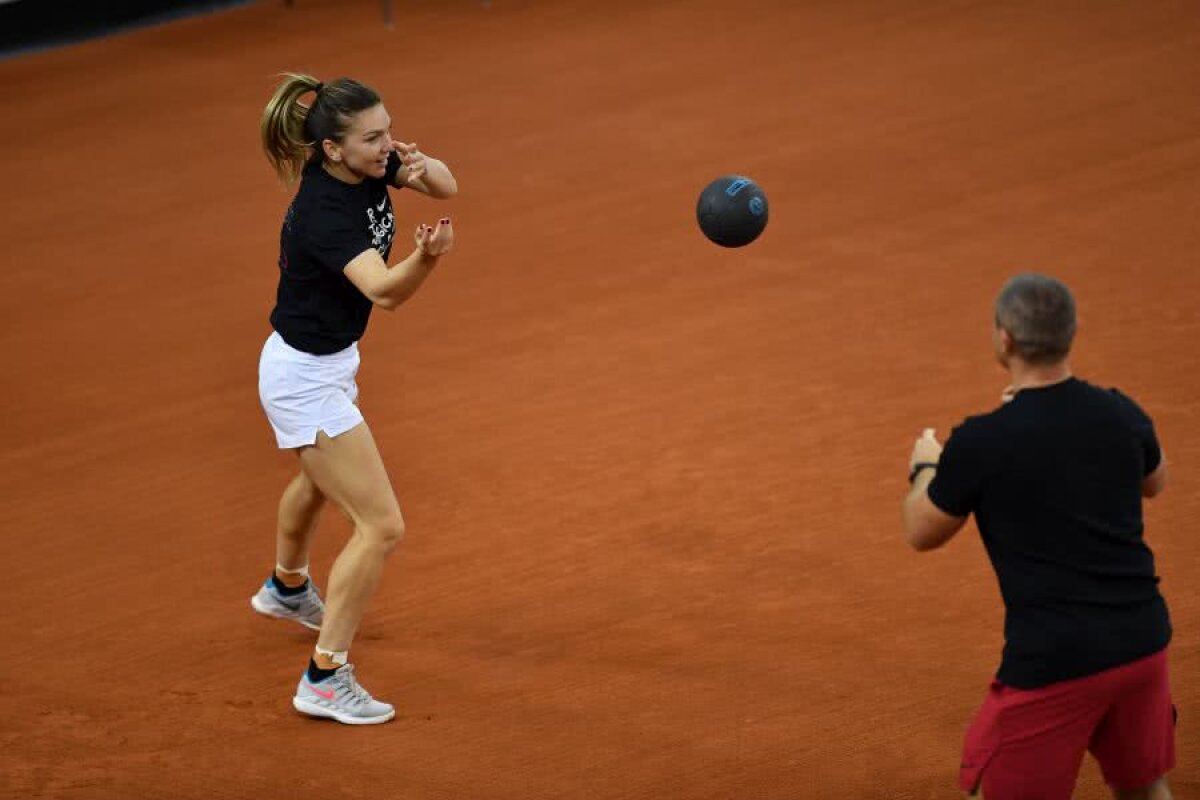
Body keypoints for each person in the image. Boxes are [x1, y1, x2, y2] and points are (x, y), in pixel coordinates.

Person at [902, 274, 1175, 799]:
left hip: (1056, 660)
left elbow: (921, 531)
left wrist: (926, 470)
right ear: (1072, 333)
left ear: (1004, 339)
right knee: (1144, 789)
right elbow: (1155, 482)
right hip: (1142, 642)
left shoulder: (982, 442)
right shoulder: (1120, 411)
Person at [251, 72, 458, 725]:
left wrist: (421, 167)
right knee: (382, 525)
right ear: (334, 150)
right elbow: (386, 292)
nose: (388, 145)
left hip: (326, 364)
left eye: (389, 130)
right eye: (373, 138)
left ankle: (286, 587)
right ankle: (324, 675)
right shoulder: (326, 215)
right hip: (304, 378)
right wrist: (427, 258)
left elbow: (447, 185)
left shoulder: (370, 161)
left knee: (317, 482)